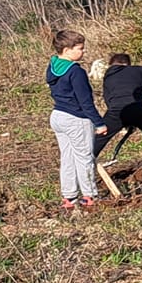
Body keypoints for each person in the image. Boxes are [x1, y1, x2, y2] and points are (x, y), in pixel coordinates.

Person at [46, 28, 105, 214]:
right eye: (80, 48)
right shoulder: (75, 72)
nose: (83, 51)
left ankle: (69, 196)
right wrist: (99, 123)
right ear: (67, 49)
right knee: (84, 157)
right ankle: (90, 196)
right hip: (76, 118)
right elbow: (85, 101)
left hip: (58, 116)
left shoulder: (53, 66)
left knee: (68, 157)